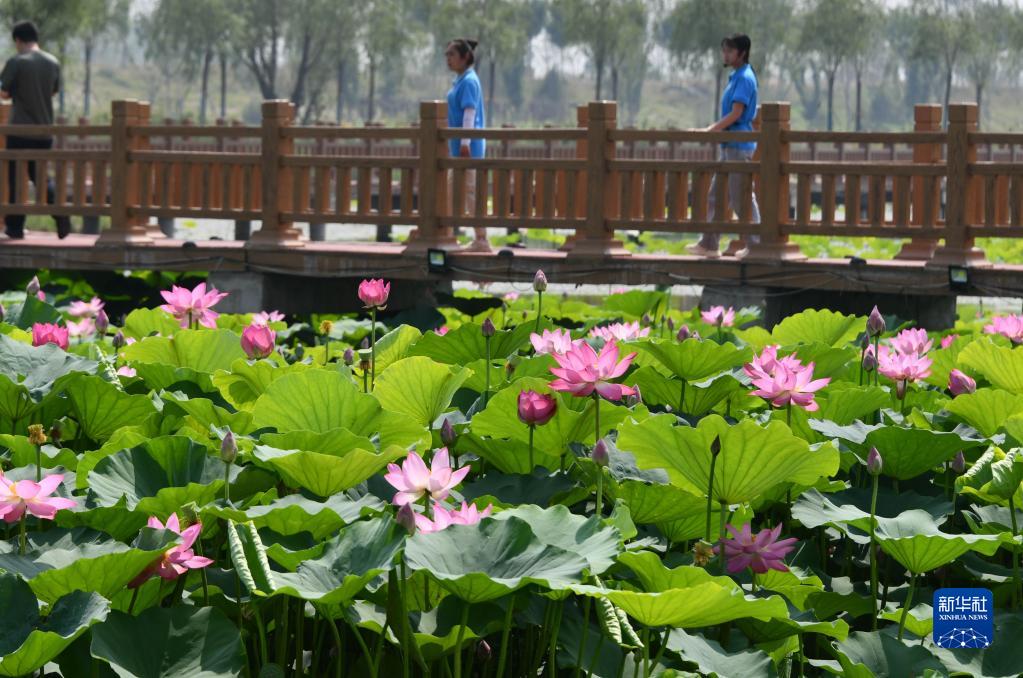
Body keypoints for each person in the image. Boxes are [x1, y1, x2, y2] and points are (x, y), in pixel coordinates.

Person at [686, 33, 760, 259]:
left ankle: (756, 245)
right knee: (716, 196)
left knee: (742, 198)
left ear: (742, 53)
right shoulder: (735, 76)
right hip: (730, 145)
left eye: (729, 50)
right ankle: (709, 244)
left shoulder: (745, 77)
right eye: (724, 50)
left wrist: (711, 130)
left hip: (739, 144)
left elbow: (737, 113)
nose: (725, 54)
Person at [0, 21, 70, 240]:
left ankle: (15, 227)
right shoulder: (53, 62)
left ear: (18, 41)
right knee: (40, 178)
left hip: (19, 130)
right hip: (44, 132)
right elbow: (53, 91)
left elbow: (3, 93)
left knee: (15, 179)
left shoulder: (17, 62)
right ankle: (59, 213)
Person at [445, 38, 490, 252]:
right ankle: (444, 232)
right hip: (458, 147)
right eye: (447, 55)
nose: (448, 59)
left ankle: (481, 240)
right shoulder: (460, 80)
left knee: (471, 191)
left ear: (465, 58)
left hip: (468, 147)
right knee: (450, 189)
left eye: (452, 55)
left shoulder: (470, 81)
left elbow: (469, 113)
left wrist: (465, 142)